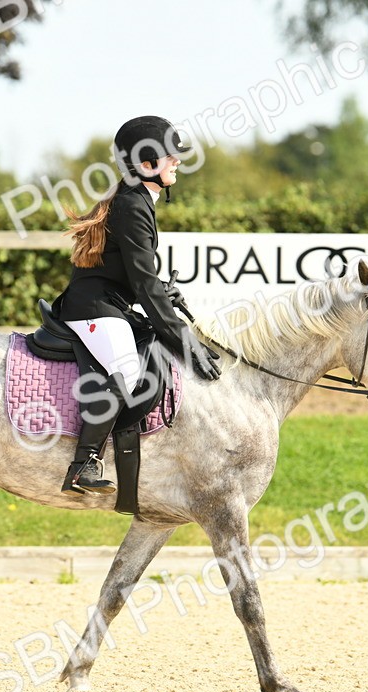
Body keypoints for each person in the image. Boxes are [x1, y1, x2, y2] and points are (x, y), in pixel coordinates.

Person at [53, 115, 222, 496]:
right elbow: (143, 286)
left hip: (108, 300)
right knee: (126, 371)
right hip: (92, 308)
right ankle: (83, 465)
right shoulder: (132, 204)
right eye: (170, 157)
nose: (178, 161)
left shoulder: (137, 198)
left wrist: (164, 291)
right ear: (147, 164)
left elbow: (136, 276)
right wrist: (186, 341)